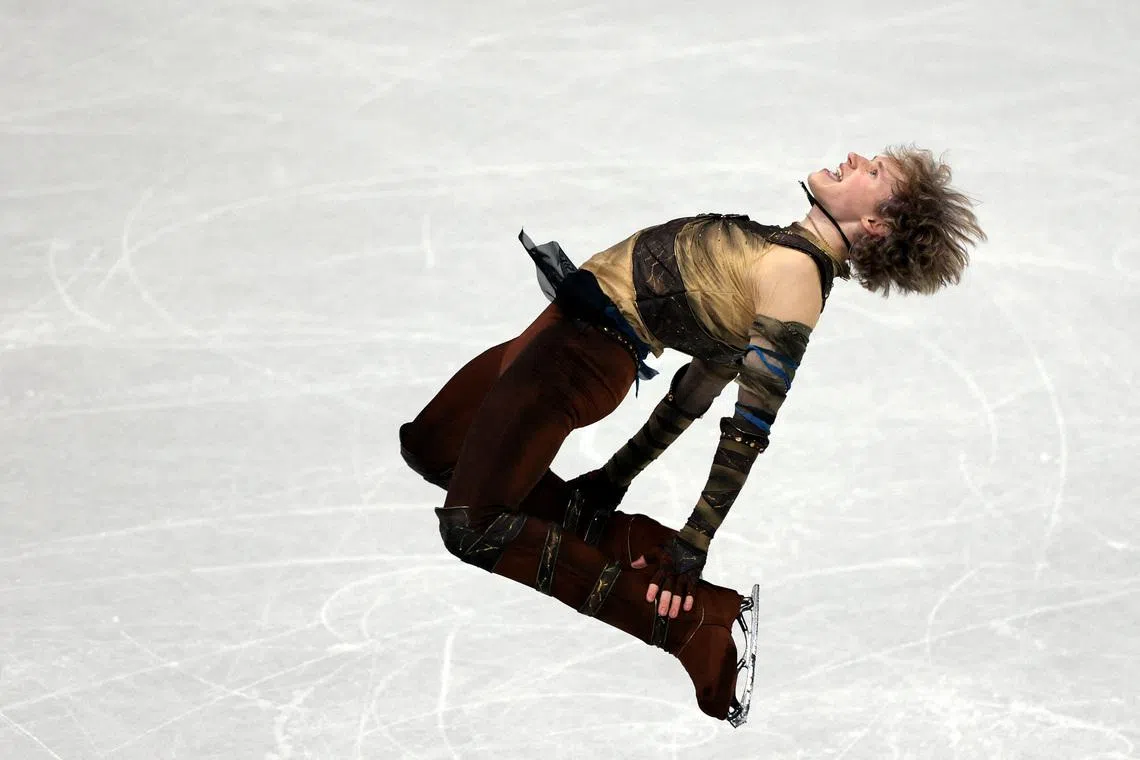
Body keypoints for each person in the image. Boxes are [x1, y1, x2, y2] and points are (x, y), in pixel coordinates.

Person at [399, 146, 986, 726]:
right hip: (562, 330)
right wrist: (611, 480)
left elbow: (748, 427)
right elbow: (692, 394)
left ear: (875, 223)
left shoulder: (796, 280)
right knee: (433, 444)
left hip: (575, 360)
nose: (857, 157)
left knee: (473, 528)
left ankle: (689, 622)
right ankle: (618, 540)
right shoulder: (781, 250)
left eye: (875, 171)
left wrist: (694, 540)